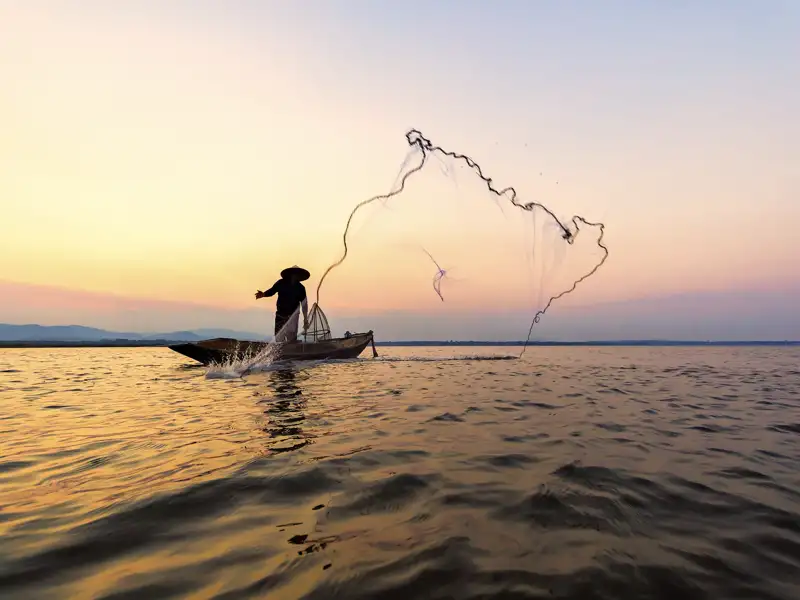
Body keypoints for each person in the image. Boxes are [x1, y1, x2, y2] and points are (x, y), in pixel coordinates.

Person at [255, 265, 310, 342]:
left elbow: (304, 304)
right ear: (291, 274)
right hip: (280, 314)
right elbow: (272, 291)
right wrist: (263, 294)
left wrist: (305, 319)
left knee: (291, 338)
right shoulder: (281, 283)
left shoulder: (301, 288)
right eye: (295, 274)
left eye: (298, 274)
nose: (296, 276)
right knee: (279, 338)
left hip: (293, 316)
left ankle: (291, 347)